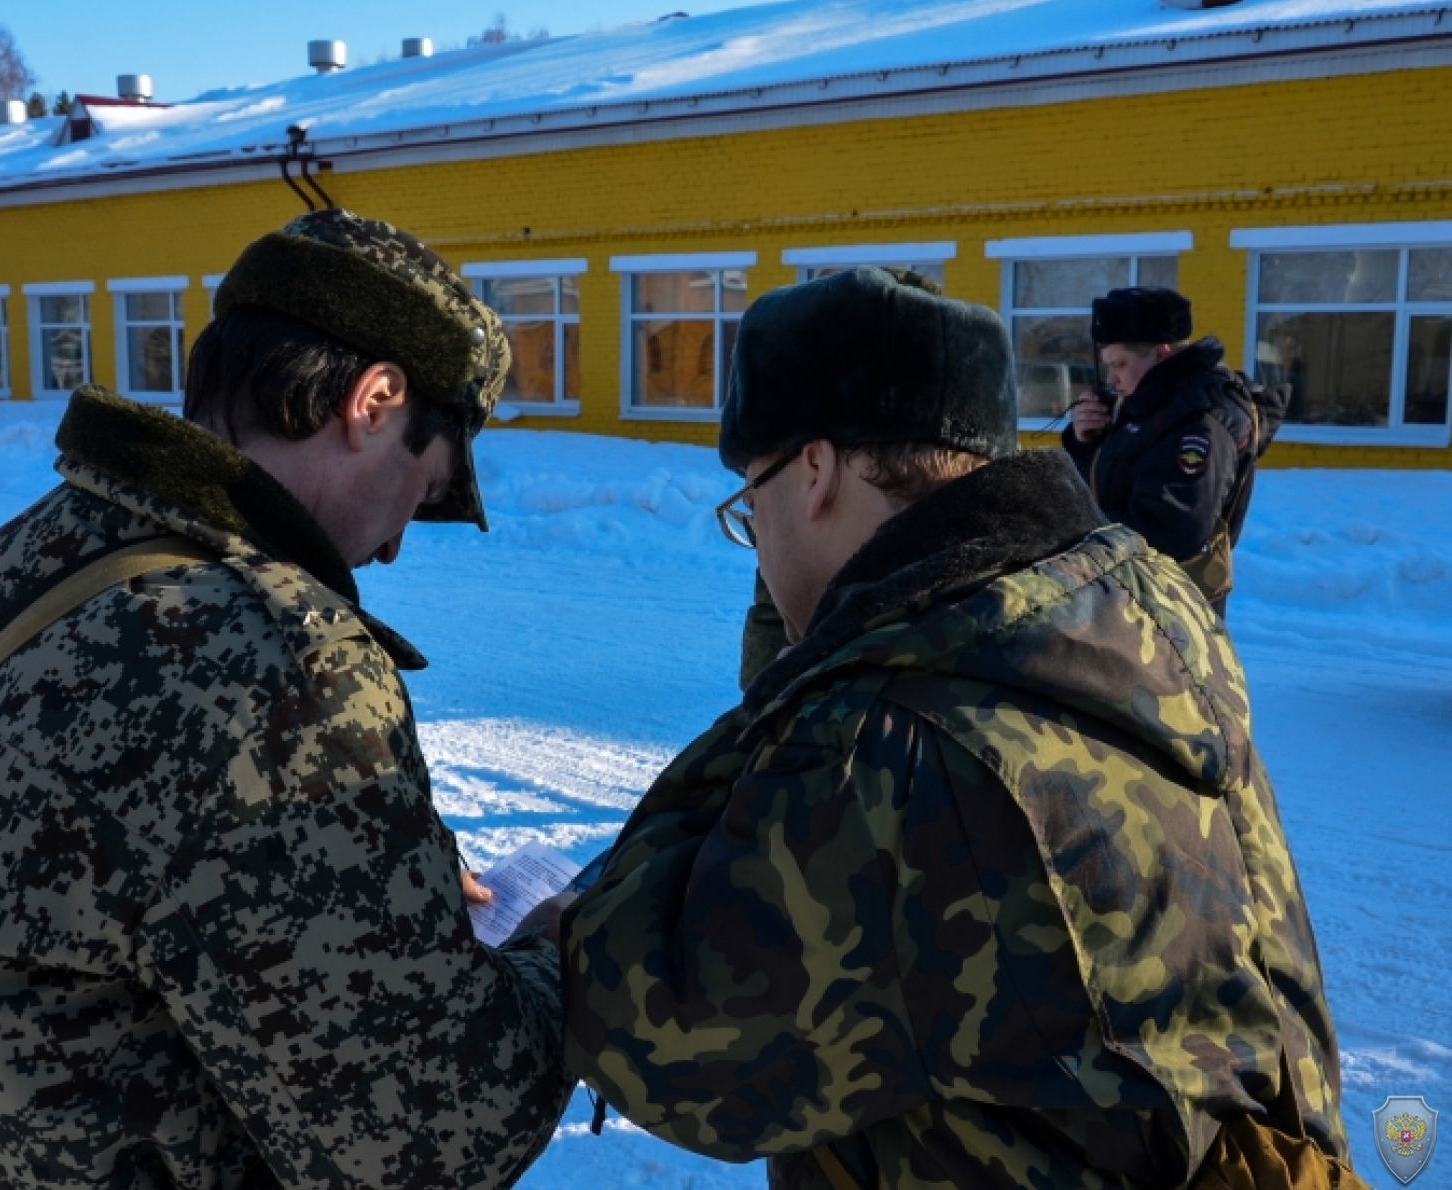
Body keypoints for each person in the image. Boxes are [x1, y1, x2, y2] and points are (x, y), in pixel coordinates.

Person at [562, 268, 1352, 1190]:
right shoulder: (1146, 602)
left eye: (752, 501)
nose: (757, 537)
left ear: (813, 471)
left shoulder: (887, 737)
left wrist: (792, 697)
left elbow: (669, 1041)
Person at [0, 209, 571, 1190]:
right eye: (425, 486)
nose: (399, 544)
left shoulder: (15, 567)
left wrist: (353, 875)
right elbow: (426, 1141)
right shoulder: (279, 663)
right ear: (372, 402)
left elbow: (60, 868)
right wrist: (554, 961)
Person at [1062, 286, 1287, 616]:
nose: (1112, 378)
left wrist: (1065, 529)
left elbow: (1168, 531)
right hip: (1124, 593)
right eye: (1107, 364)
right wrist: (1087, 442)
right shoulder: (1151, 402)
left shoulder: (1202, 419)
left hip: (1169, 611)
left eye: (1120, 363)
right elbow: (1113, 487)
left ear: (1161, 353)